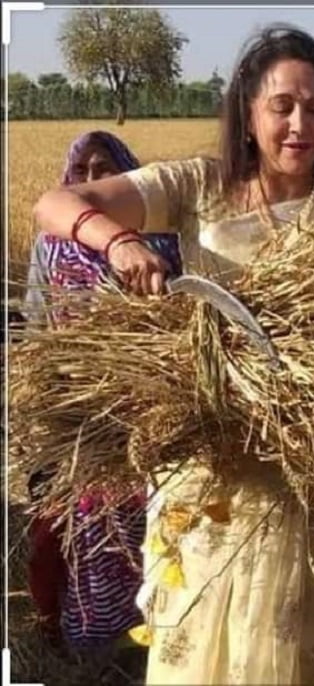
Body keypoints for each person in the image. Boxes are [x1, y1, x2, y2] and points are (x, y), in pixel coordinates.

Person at [33, 25, 314, 685]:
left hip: (311, 482)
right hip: (212, 473)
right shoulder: (199, 186)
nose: (299, 124)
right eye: (282, 106)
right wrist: (116, 242)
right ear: (248, 112)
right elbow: (57, 202)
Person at [24, 131, 181, 651]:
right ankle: (86, 632)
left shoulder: (161, 238)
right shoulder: (52, 243)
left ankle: (155, 628)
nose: (94, 180)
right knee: (80, 520)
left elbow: (183, 315)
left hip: (149, 405)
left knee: (152, 521)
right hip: (78, 407)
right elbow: (38, 321)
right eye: (84, 171)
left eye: (105, 168)